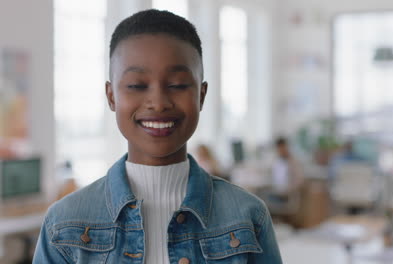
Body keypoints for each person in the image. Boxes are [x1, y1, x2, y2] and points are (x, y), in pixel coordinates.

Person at [33, 10, 281, 263]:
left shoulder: (248, 217)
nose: (159, 103)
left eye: (177, 85)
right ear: (111, 97)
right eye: (137, 85)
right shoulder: (63, 225)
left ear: (202, 95)